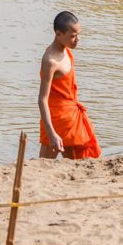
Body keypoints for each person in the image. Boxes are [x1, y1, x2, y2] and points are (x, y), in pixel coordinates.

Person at [38, 11, 102, 159]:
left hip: (70, 117)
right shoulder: (50, 61)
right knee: (43, 165)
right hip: (56, 119)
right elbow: (42, 99)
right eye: (73, 36)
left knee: (79, 161)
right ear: (58, 34)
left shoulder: (66, 50)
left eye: (78, 34)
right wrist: (51, 133)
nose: (77, 39)